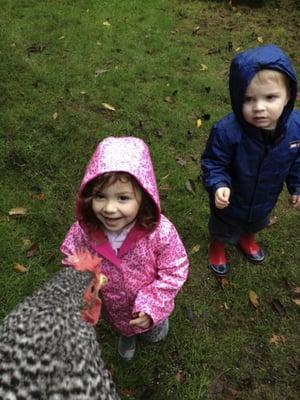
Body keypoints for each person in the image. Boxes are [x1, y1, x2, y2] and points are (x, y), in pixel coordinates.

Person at [61, 136, 189, 360]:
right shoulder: (85, 231)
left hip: (151, 303)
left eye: (123, 198)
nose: (110, 208)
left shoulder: (160, 232)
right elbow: (74, 259)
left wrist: (152, 307)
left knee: (154, 332)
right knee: (124, 326)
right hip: (116, 307)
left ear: (143, 197)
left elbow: (175, 269)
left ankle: (155, 326)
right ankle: (126, 336)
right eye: (101, 196)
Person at [201, 44, 300, 276]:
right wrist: (219, 185)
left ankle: (248, 239)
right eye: (248, 99)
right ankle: (217, 246)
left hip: (265, 197)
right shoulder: (227, 131)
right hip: (231, 200)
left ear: (289, 96)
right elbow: (214, 161)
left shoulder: (296, 129)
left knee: (257, 221)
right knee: (223, 227)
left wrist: (297, 185)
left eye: (270, 97)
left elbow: (297, 160)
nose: (259, 108)